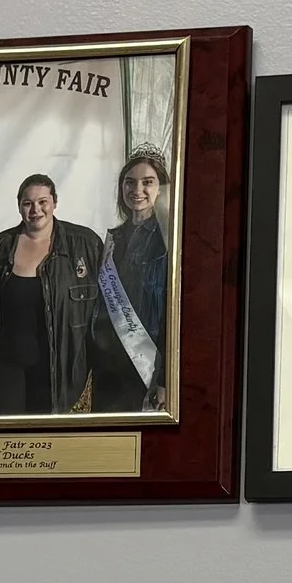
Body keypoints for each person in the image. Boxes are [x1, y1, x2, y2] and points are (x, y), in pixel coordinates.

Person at [0, 173, 108, 415]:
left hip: (59, 371)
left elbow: (106, 308)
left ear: (54, 203)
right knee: (7, 440)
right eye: (27, 203)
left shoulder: (85, 244)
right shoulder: (1, 245)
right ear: (19, 206)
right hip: (6, 368)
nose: (35, 209)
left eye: (42, 202)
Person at [91, 148, 172, 412]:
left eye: (147, 182)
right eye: (130, 182)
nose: (137, 189)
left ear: (160, 188)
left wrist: (165, 378)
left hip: (148, 365)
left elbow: (175, 314)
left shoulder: (169, 242)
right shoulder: (112, 239)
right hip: (108, 365)